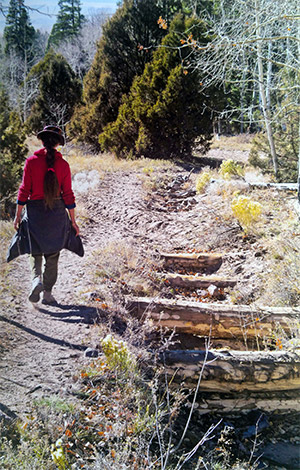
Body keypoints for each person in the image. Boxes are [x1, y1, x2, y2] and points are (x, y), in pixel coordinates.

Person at [12, 125, 81, 305]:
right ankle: (48, 294)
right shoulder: (64, 165)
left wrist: (18, 215)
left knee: (35, 250)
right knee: (52, 254)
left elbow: (24, 190)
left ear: (42, 141)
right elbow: (68, 195)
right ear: (58, 144)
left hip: (35, 213)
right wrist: (73, 221)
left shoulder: (31, 161)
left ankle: (37, 280)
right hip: (56, 214)